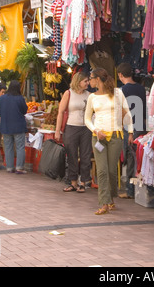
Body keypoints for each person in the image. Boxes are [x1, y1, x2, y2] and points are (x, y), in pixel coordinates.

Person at [84, 68, 133, 215]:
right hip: (98, 136)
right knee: (102, 170)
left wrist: (130, 131)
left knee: (111, 171)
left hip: (116, 136)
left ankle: (111, 198)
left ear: (97, 79)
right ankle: (104, 203)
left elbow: (127, 112)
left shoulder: (117, 93)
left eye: (91, 78)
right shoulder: (92, 97)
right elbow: (86, 119)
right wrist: (95, 130)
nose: (89, 81)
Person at [55, 71, 92, 193]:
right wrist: (57, 130)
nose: (88, 83)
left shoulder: (89, 95)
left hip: (86, 128)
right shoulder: (68, 93)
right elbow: (60, 112)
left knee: (85, 155)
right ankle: (73, 182)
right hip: (71, 127)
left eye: (88, 81)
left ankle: (83, 182)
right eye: (85, 81)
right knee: (71, 155)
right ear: (78, 81)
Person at [117, 62, 147, 199]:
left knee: (130, 158)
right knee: (138, 158)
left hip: (128, 127)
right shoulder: (141, 89)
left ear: (120, 75)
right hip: (140, 126)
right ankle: (136, 188)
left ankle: (130, 191)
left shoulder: (122, 91)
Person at [0, 80, 28, 174]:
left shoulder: (2, 98)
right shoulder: (20, 98)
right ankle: (19, 167)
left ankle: (9, 167)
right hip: (19, 126)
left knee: (8, 147)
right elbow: (25, 110)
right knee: (20, 147)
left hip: (6, 126)